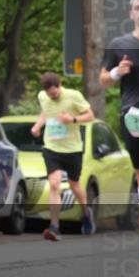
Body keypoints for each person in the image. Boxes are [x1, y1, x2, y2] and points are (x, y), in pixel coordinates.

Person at [100, 0, 139, 257]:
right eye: (138, 7)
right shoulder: (119, 44)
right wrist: (117, 72)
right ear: (131, 14)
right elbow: (103, 79)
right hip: (132, 116)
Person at [31, 72, 96, 241]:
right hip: (52, 147)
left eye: (54, 94)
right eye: (49, 94)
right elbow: (45, 112)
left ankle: (86, 212)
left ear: (59, 86)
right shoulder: (42, 97)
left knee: (75, 185)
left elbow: (90, 116)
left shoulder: (73, 96)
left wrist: (72, 120)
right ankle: (54, 226)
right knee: (54, 183)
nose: (52, 96)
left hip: (73, 149)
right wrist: (37, 126)